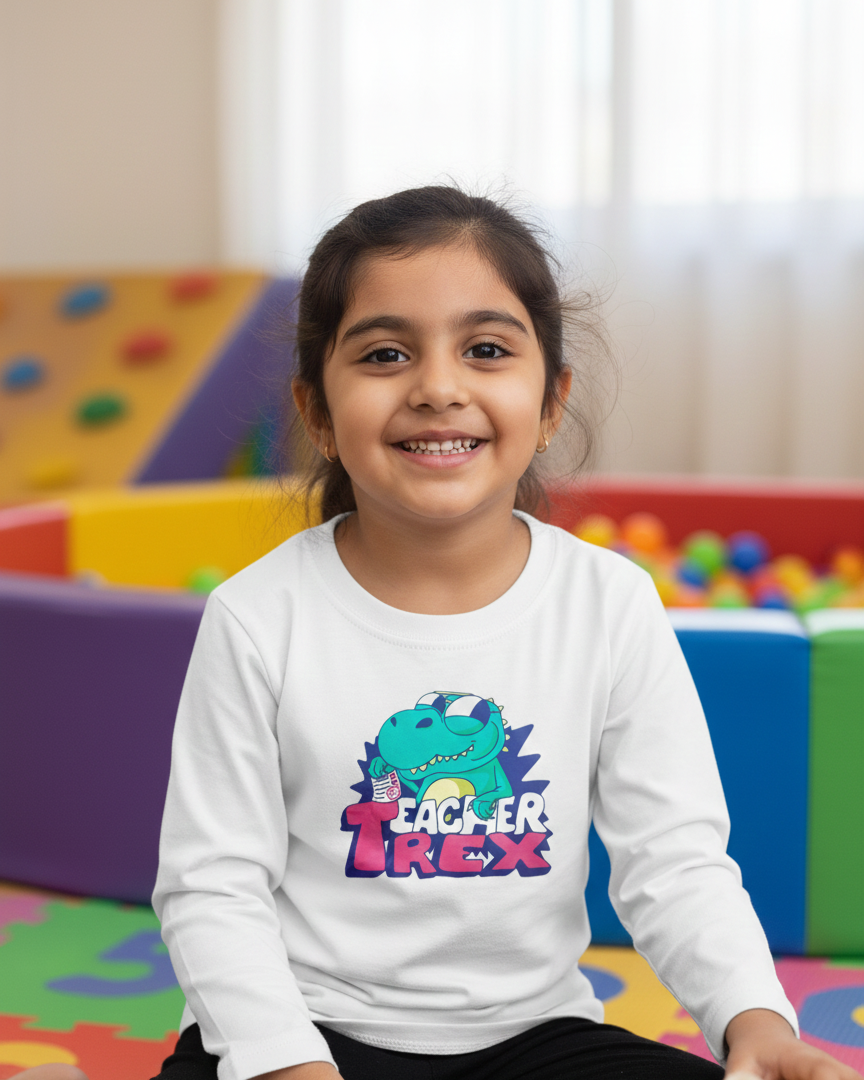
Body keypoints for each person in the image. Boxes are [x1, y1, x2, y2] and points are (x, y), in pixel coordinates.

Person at [12, 186, 856, 1080]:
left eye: (486, 350)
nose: (439, 388)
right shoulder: (259, 616)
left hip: (535, 1040)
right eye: (385, 354)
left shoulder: (610, 602)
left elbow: (675, 862)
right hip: (307, 1026)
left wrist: (755, 1020)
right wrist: (285, 1062)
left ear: (552, 401)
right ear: (318, 413)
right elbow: (211, 886)